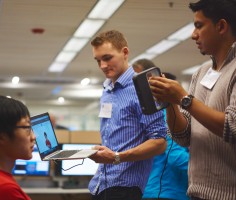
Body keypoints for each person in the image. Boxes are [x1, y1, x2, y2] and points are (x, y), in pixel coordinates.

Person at [149, 0, 236, 199]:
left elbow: (232, 126)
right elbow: (183, 136)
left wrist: (183, 98)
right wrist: (170, 101)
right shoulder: (201, 72)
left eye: (199, 26)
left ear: (221, 26)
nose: (193, 35)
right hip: (196, 192)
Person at [88, 30, 167, 200]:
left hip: (126, 187)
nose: (102, 65)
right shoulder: (107, 89)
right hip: (100, 184)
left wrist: (117, 157)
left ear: (125, 53)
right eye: (98, 60)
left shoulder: (143, 89)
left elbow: (160, 143)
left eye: (107, 58)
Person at [133, 60, 189, 200]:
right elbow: (174, 155)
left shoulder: (158, 115)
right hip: (166, 192)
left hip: (157, 190)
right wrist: (205, 168)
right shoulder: (164, 116)